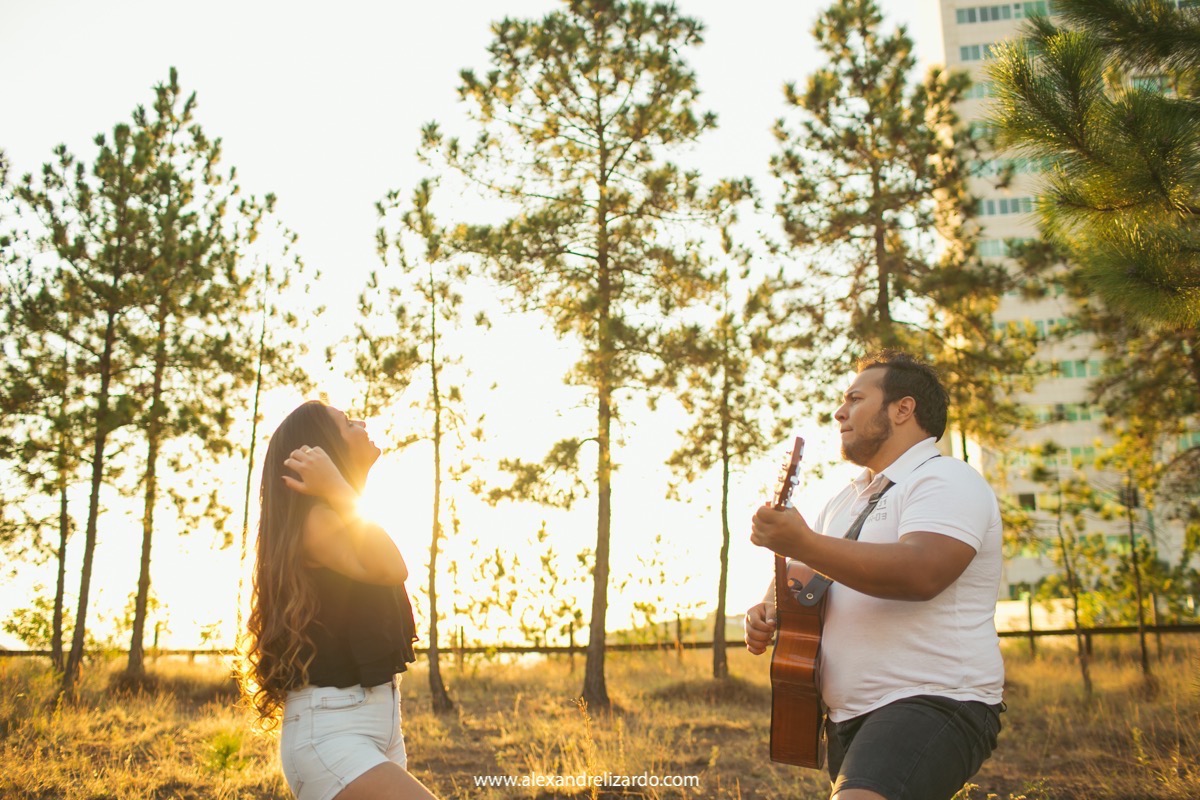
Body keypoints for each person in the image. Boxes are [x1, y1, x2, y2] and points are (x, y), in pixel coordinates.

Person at [745, 351, 1005, 800]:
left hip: (933, 699)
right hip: (845, 718)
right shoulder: (842, 502)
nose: (838, 411)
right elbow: (807, 574)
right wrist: (768, 608)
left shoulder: (944, 479)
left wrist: (802, 541)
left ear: (903, 409)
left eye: (855, 398)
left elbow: (921, 573)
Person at [240, 400, 438, 800]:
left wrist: (341, 490)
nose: (362, 422)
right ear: (323, 451)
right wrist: (337, 488)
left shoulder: (344, 517)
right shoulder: (317, 522)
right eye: (347, 423)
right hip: (331, 734)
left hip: (373, 724)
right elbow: (392, 566)